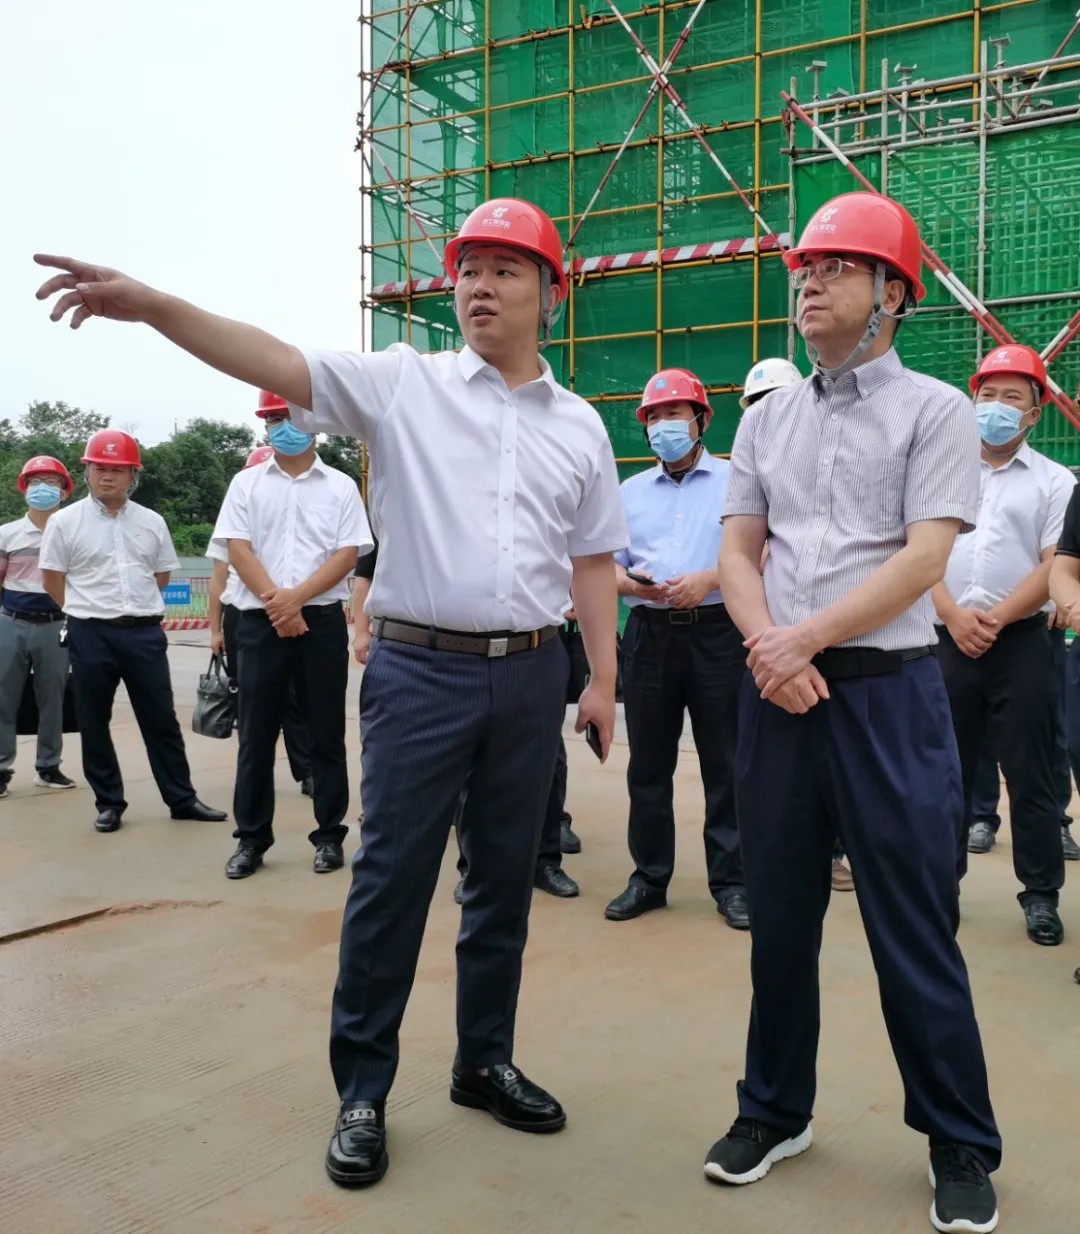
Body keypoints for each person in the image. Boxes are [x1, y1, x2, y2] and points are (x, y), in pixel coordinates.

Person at [35, 196, 625, 1187]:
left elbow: (593, 557)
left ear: (551, 293)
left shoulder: (579, 427)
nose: (479, 286)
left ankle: (483, 1059)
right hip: (420, 670)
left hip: (531, 672)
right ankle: (363, 1090)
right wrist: (154, 306)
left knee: (501, 881)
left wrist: (601, 677)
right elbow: (273, 360)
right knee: (391, 882)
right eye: (468, 270)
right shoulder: (404, 386)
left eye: (505, 269)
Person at [711, 192, 1000, 1234]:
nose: (810, 282)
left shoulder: (936, 410)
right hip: (779, 694)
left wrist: (806, 638)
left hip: (888, 695)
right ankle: (772, 1109)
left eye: (837, 266)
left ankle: (959, 1138)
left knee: (913, 924)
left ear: (893, 294)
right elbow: (738, 550)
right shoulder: (764, 419)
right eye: (805, 266)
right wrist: (770, 647)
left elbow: (924, 559)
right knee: (780, 915)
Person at [932, 344, 1072, 948]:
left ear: (1034, 413)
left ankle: (1040, 895)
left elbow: (1056, 563)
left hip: (1020, 644)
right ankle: (940, 890)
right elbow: (916, 550)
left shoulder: (1055, 481)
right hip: (945, 639)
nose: (995, 407)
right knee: (944, 776)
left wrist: (993, 619)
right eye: (987, 394)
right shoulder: (941, 470)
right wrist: (951, 614)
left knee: (1031, 774)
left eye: (1012, 397)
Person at [605, 368, 748, 929]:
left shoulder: (736, 482)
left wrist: (710, 579)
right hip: (650, 636)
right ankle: (649, 877)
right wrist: (632, 586)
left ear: (701, 420)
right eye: (655, 417)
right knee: (648, 763)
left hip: (719, 634)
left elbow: (758, 554)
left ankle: (733, 882)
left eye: (675, 414)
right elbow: (608, 568)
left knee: (726, 763)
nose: (664, 425)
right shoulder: (630, 492)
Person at [209, 390, 372, 878]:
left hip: (319, 622)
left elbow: (348, 553)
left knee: (326, 733)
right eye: (276, 417)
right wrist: (279, 606)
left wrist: (296, 599)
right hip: (259, 623)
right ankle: (251, 839)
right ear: (265, 424)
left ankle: (329, 836)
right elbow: (237, 548)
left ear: (316, 423)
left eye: (295, 416)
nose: (286, 426)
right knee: (256, 736)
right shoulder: (246, 484)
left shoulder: (341, 486)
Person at [38, 430, 226, 832]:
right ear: (87, 472)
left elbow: (160, 575)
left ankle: (182, 798)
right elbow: (52, 578)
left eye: (118, 470)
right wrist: (80, 609)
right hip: (90, 632)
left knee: (161, 720)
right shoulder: (64, 523)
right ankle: (109, 802)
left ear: (133, 476)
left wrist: (131, 607)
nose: (107, 476)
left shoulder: (151, 521)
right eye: (99, 468)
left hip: (143, 633)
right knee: (93, 720)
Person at [208, 441, 314, 796]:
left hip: (290, 610)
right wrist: (214, 630)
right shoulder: (235, 515)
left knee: (295, 697)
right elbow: (218, 581)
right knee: (251, 702)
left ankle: (307, 770)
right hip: (244, 616)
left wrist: (285, 606)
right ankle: (253, 776)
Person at [0, 456, 78, 797]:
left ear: (65, 491)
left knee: (52, 698)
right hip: (11, 622)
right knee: (3, 697)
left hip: (55, 624)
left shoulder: (74, 533)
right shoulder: (7, 534)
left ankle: (48, 766)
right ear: (24, 488)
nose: (42, 488)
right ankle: (1, 768)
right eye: (35, 481)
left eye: (51, 482)